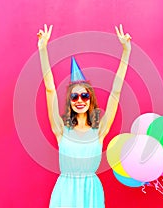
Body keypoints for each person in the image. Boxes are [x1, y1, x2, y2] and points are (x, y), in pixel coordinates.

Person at [37, 24, 131, 208]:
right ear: (70, 102)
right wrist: (42, 49)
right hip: (65, 192)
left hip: (91, 194)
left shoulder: (99, 130)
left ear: (90, 100)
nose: (80, 100)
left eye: (84, 95)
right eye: (74, 96)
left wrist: (126, 52)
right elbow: (50, 89)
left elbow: (116, 92)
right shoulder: (60, 129)